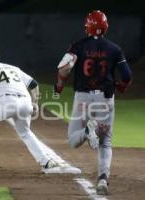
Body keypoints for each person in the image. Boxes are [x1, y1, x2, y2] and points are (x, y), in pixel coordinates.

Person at [54, 10, 132, 195]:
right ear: (105, 27)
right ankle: (103, 179)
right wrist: (121, 86)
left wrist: (59, 86)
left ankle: (89, 130)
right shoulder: (115, 49)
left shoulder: (78, 46)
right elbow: (127, 76)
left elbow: (64, 70)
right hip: (105, 98)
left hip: (83, 98)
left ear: (87, 26)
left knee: (73, 141)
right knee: (105, 143)